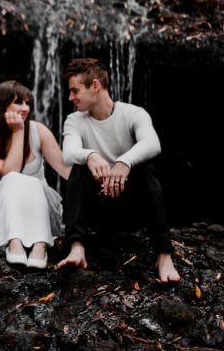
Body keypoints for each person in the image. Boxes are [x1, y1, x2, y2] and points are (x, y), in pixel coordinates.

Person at [57, 58, 180, 282]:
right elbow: (68, 152)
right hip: (97, 209)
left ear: (95, 85)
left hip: (132, 208)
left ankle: (163, 254)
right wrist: (90, 155)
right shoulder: (74, 120)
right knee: (78, 169)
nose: (70, 98)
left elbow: (153, 143)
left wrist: (124, 163)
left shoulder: (134, 114)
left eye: (75, 91)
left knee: (145, 167)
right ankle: (76, 246)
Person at [0, 80, 70, 269]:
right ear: (1, 105)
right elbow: (10, 171)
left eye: (27, 103)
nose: (25, 108)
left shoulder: (39, 131)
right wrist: (18, 132)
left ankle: (40, 245)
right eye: (18, 102)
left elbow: (65, 170)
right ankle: (14, 241)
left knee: (35, 183)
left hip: (41, 208)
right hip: (0, 211)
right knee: (14, 178)